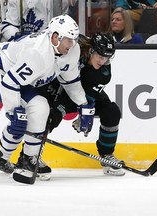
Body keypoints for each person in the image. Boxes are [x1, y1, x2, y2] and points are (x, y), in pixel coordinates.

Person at [0, 14, 95, 181]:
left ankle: (7, 159)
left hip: (16, 79)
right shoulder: (37, 53)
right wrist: (14, 112)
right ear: (55, 37)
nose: (72, 45)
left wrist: (83, 105)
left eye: (74, 40)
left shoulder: (72, 49)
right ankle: (25, 159)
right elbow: (9, 82)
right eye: (69, 40)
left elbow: (70, 80)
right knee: (35, 110)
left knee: (37, 109)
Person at [36, 32, 125, 176]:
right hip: (60, 86)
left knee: (111, 111)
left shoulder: (103, 73)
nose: (103, 61)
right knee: (49, 116)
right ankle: (32, 156)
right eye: (100, 56)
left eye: (107, 58)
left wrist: (84, 114)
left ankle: (107, 155)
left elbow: (88, 97)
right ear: (91, 50)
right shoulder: (74, 48)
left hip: (83, 91)